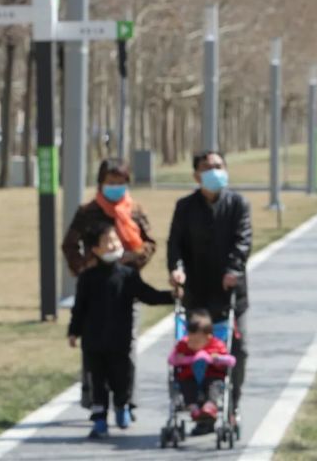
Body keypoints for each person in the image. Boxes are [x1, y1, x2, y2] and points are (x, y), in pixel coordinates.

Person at [62, 157, 157, 414]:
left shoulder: (135, 210)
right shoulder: (87, 212)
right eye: (110, 182)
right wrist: (85, 266)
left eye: (120, 182)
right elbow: (69, 244)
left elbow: (149, 243)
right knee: (93, 348)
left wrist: (134, 258)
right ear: (101, 183)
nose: (115, 187)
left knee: (128, 346)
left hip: (125, 289)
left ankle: (127, 398)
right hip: (95, 292)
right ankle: (94, 398)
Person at [167, 150, 251, 434]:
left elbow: (243, 239)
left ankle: (230, 405)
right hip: (196, 294)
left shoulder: (238, 204)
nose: (214, 171)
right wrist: (176, 269)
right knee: (194, 351)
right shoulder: (185, 207)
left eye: (219, 166)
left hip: (229, 294)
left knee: (236, 350)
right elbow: (175, 244)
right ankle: (199, 405)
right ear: (196, 175)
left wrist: (233, 270)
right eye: (208, 167)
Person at [68, 222, 174, 439]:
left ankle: (121, 406)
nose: (113, 244)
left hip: (120, 338)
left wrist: (171, 296)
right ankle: (99, 418)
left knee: (121, 377)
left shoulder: (128, 275)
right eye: (107, 241)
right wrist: (73, 331)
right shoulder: (87, 278)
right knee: (97, 379)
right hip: (94, 340)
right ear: (95, 250)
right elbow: (79, 308)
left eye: (115, 240)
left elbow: (147, 295)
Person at [168, 308, 236, 432]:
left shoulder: (216, 345)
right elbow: (171, 360)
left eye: (197, 341)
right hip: (189, 376)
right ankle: (193, 407)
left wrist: (217, 358)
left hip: (211, 375)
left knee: (214, 385)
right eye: (190, 339)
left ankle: (210, 405)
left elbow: (231, 360)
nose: (193, 344)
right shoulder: (183, 345)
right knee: (185, 385)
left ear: (208, 337)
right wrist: (183, 359)